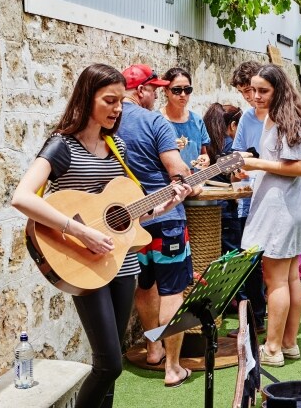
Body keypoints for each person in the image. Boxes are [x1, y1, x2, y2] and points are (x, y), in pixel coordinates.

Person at [11, 64, 192, 407]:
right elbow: (22, 197)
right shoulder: (61, 145)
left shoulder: (116, 146)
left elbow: (132, 213)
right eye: (109, 100)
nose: (117, 108)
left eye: (120, 101)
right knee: (108, 363)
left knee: (115, 364)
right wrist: (80, 231)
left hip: (121, 266)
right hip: (84, 264)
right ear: (86, 98)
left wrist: (167, 205)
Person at [116, 64, 194, 388]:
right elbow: (177, 169)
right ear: (141, 90)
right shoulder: (154, 120)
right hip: (166, 221)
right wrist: (190, 175)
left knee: (144, 285)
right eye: (156, 88)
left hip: (129, 224)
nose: (160, 93)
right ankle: (173, 367)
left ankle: (152, 349)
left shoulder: (110, 122)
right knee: (172, 292)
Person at [240, 64, 301, 367]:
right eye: (253, 89)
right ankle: (289, 343)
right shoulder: (282, 117)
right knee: (289, 279)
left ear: (278, 90)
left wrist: (257, 165)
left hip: (280, 211)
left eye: (263, 90)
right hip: (288, 209)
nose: (256, 96)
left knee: (277, 283)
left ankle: (272, 349)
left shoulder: (283, 119)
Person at [229, 61, 267, 335]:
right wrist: (237, 170)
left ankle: (275, 325)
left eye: (252, 90)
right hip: (248, 199)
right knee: (250, 263)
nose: (249, 96)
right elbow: (237, 155)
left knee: (277, 265)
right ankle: (257, 319)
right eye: (244, 92)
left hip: (275, 200)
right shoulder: (246, 118)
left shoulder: (282, 116)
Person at [203, 103, 243, 254]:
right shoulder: (229, 145)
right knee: (232, 254)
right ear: (233, 125)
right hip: (225, 207)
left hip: (205, 208)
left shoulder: (206, 144)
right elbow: (235, 178)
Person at [160, 68, 211, 169]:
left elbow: (203, 152)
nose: (183, 95)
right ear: (166, 91)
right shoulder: (156, 120)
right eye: (177, 90)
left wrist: (205, 159)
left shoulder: (197, 121)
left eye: (187, 90)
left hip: (196, 181)